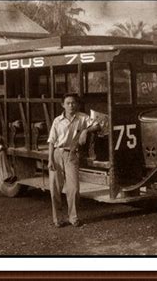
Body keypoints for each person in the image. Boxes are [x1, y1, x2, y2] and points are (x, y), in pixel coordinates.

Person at [47, 93, 100, 228]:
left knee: (74, 188)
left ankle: (73, 217)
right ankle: (57, 218)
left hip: (72, 154)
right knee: (55, 189)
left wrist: (85, 131)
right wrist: (50, 160)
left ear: (77, 104)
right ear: (63, 105)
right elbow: (52, 142)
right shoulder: (57, 121)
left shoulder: (82, 118)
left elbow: (98, 125)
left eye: (73, 103)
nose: (71, 105)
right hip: (57, 154)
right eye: (68, 103)